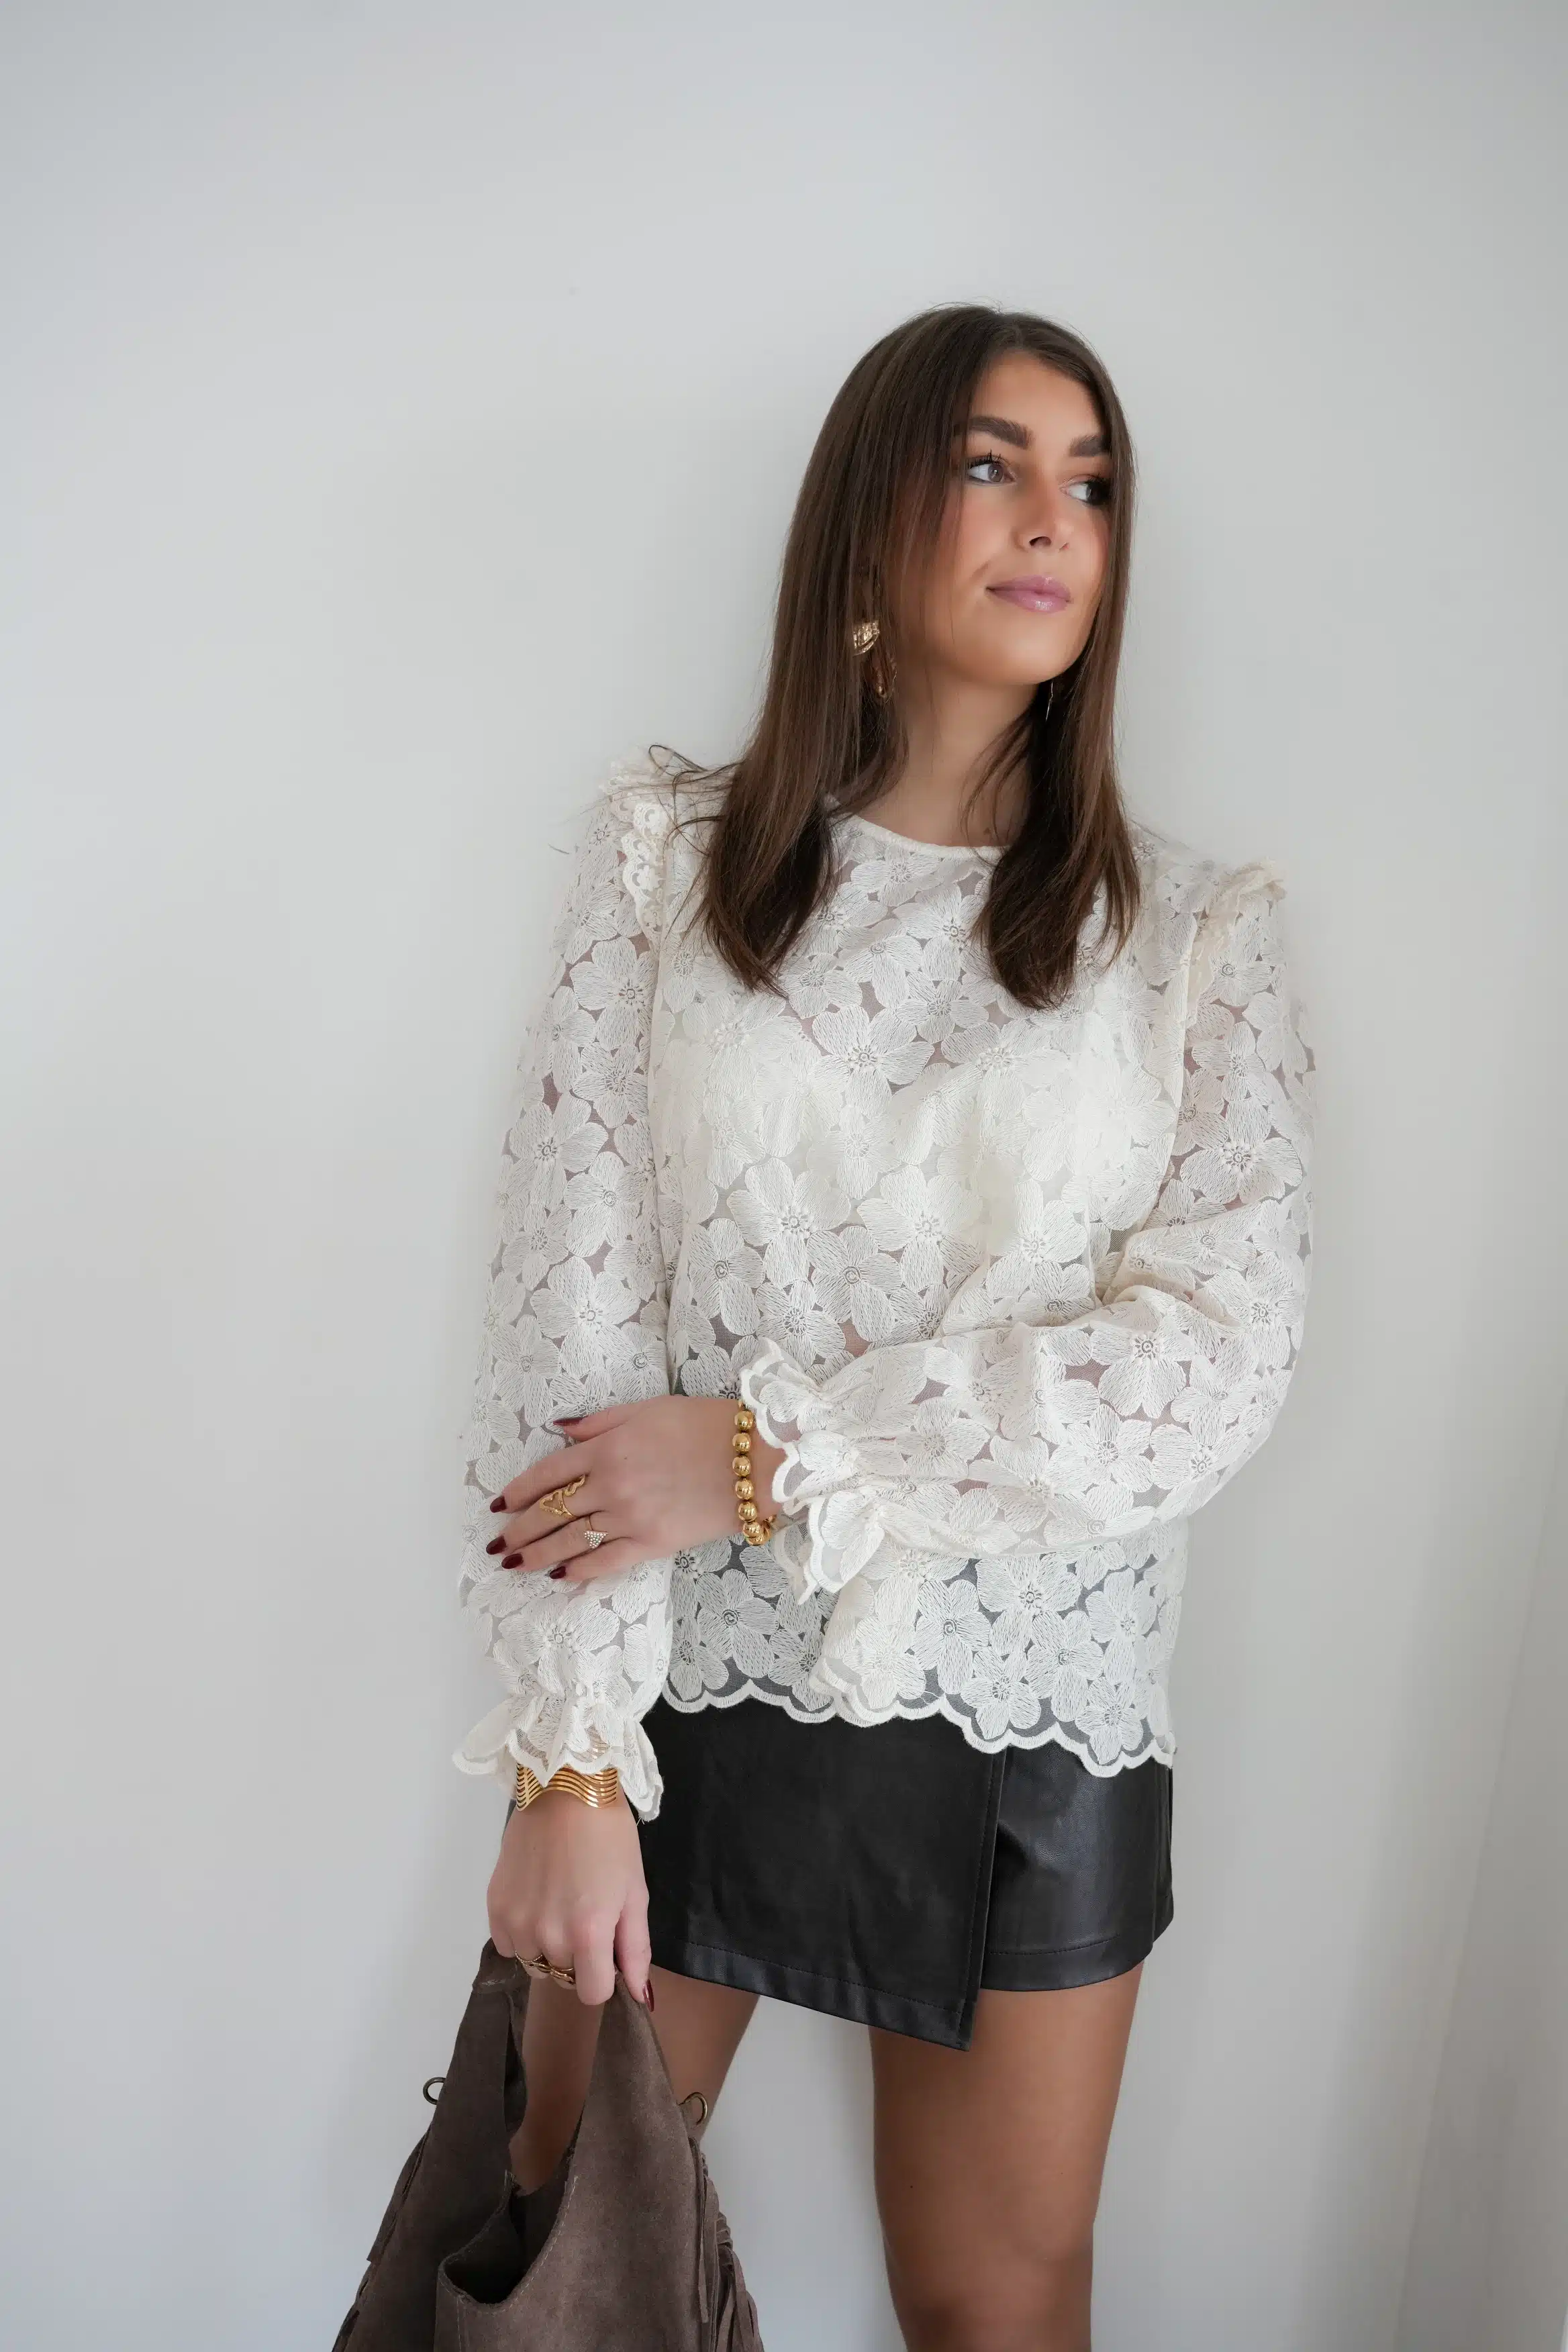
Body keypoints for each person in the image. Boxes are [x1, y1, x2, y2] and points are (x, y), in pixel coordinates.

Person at [451, 301, 1315, 2352]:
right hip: (678, 1685)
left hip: (1037, 1705)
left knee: (996, 2300)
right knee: (561, 2254)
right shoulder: (670, 861)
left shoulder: (1189, 935)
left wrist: (772, 1457)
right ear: (865, 521)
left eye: (1093, 481)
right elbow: (570, 1314)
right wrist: (566, 1766)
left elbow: (1216, 1361)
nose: (1055, 518)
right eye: (991, 463)